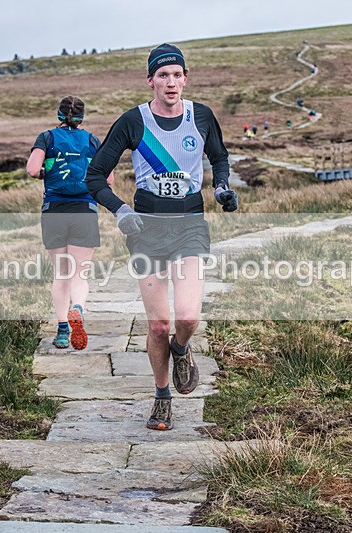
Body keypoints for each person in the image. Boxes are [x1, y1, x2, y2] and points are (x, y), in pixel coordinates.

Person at [86, 43, 238, 431]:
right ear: (150, 80)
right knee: (158, 325)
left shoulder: (200, 116)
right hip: (147, 230)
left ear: (185, 79)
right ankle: (161, 397)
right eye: (163, 75)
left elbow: (219, 157)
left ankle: (182, 350)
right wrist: (121, 211)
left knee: (186, 317)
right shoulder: (132, 122)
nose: (171, 82)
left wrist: (221, 188)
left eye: (177, 75)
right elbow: (93, 176)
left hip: (189, 225)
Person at [26, 96, 114, 350]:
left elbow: (32, 169)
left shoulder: (47, 137)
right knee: (80, 274)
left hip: (54, 209)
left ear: (59, 115)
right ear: (82, 117)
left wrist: (46, 172)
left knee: (60, 274)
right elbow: (108, 179)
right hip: (84, 209)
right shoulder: (92, 141)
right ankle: (78, 308)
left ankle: (63, 330)